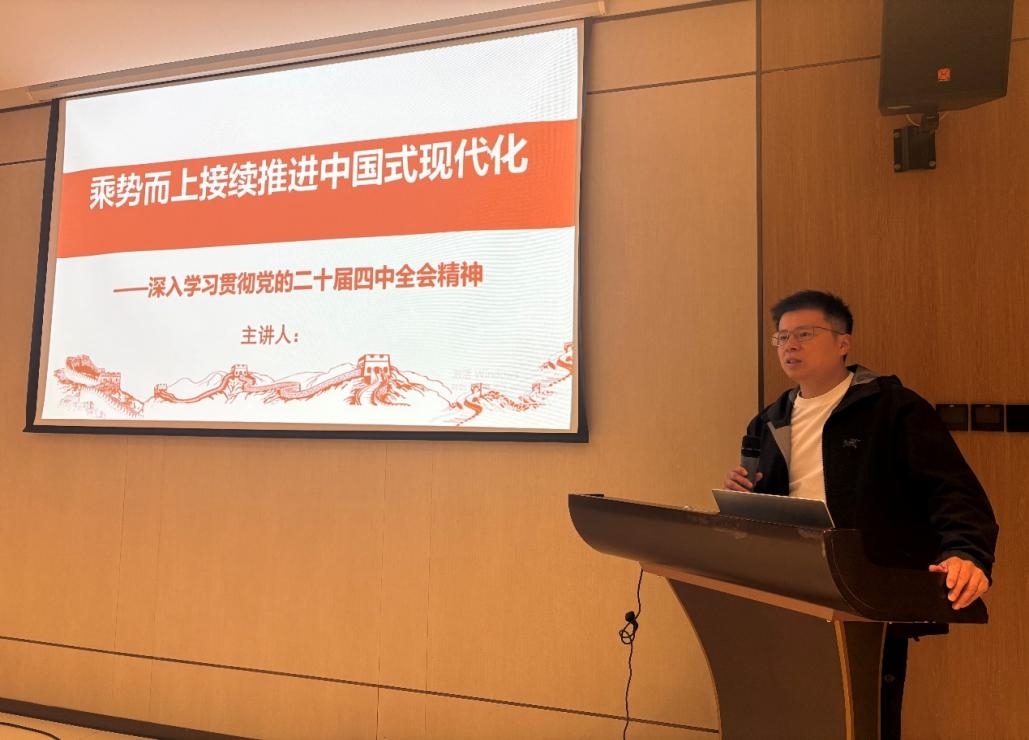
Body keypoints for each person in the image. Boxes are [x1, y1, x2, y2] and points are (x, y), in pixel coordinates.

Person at [723, 289, 998, 740]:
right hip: (790, 586)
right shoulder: (771, 419)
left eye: (804, 334)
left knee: (866, 715)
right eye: (782, 337)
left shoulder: (893, 408)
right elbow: (774, 501)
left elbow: (953, 489)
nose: (789, 345)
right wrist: (744, 496)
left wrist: (967, 552)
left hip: (867, 585)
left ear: (843, 343)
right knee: (798, 711)